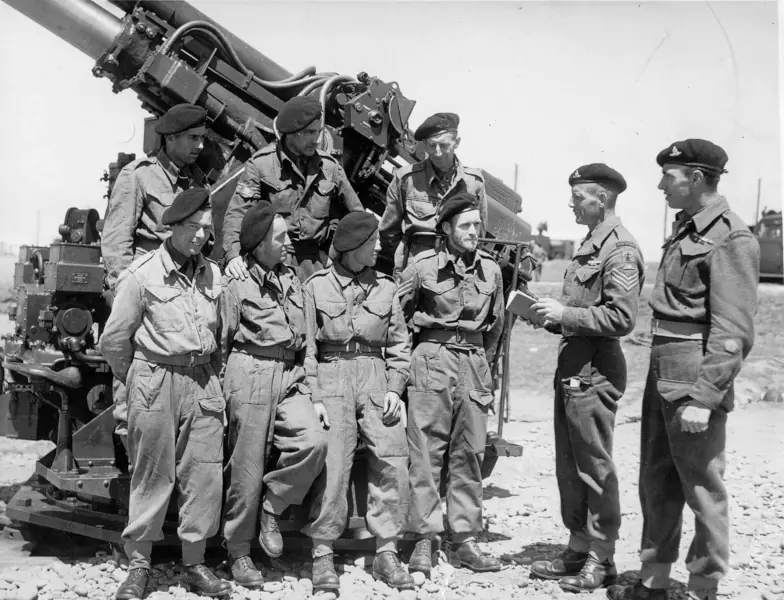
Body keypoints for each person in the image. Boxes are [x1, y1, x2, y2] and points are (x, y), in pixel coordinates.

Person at [607, 140, 759, 600]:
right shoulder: (687, 228)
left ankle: (702, 587)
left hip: (693, 377)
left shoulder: (731, 237)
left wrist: (705, 396)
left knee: (702, 484)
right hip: (664, 367)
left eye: (668, 177)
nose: (660, 185)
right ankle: (653, 583)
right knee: (656, 478)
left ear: (695, 178)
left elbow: (733, 331)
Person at [99, 188, 231, 599]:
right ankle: (138, 564)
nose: (199, 236)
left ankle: (195, 562)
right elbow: (115, 340)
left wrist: (211, 375)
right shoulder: (141, 275)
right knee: (152, 474)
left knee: (204, 475)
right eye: (192, 228)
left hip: (203, 383)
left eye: (205, 230)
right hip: (154, 380)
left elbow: (222, 335)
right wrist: (138, 377)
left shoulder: (214, 275)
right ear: (173, 227)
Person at [526, 164, 644, 592]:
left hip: (595, 368)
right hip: (574, 363)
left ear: (603, 198)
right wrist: (549, 315)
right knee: (569, 462)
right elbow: (582, 309)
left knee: (594, 464)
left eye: (578, 197)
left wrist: (566, 314)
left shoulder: (620, 249)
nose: (571, 204)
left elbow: (621, 316)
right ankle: (578, 547)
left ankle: (602, 556)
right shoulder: (591, 243)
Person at [301, 212, 414, 593]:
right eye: (372, 242)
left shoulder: (386, 286)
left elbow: (399, 344)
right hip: (332, 374)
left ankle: (386, 551)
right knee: (334, 461)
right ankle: (322, 553)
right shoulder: (315, 286)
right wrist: (314, 395)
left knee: (393, 456)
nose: (380, 246)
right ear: (352, 247)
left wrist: (395, 389)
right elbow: (309, 349)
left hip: (375, 376)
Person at [220, 202, 329, 587]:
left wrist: (314, 396)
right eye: (279, 237)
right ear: (258, 242)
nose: (286, 243)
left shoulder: (294, 279)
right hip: (249, 371)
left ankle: (273, 508)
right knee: (246, 468)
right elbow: (222, 341)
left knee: (313, 442)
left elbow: (309, 345)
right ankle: (238, 553)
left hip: (291, 375)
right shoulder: (234, 283)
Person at [398, 192, 504, 575]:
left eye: (477, 224)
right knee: (426, 452)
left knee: (470, 452)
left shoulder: (491, 271)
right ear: (446, 229)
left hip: (473, 365)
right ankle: (424, 538)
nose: (474, 231)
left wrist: (481, 365)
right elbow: (399, 317)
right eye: (466, 225)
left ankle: (464, 538)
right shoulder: (422, 266)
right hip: (431, 361)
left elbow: (496, 327)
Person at [100, 103, 208, 448]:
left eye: (202, 138)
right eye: (192, 138)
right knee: (135, 396)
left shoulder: (196, 180)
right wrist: (127, 296)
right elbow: (117, 243)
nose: (200, 146)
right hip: (147, 294)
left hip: (185, 296)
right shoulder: (138, 176)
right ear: (171, 137)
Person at [222, 95, 364, 282]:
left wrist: (333, 252)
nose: (317, 139)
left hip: (317, 266)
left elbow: (357, 215)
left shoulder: (330, 168)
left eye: (318, 131)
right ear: (292, 132)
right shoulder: (261, 165)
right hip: (272, 263)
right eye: (310, 133)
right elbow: (237, 213)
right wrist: (233, 255)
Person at [378, 112, 488, 275]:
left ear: (456, 142)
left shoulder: (474, 183)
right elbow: (389, 232)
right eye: (431, 145)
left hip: (457, 273)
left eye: (443, 145)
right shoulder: (406, 179)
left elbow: (479, 234)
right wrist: (406, 265)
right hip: (415, 273)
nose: (437, 152)